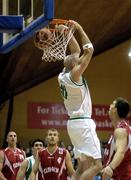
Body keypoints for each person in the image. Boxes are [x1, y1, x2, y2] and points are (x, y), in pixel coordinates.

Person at [58, 20, 102, 180]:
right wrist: (80, 28)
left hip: (73, 124)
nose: (77, 55)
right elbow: (89, 50)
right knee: (98, 165)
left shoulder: (62, 75)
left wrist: (68, 34)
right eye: (76, 58)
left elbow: (75, 50)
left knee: (83, 166)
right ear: (76, 65)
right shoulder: (76, 75)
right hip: (83, 123)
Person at [102, 97, 131, 180]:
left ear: (115, 110)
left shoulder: (120, 131)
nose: (110, 106)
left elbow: (121, 152)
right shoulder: (121, 129)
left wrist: (110, 167)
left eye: (112, 104)